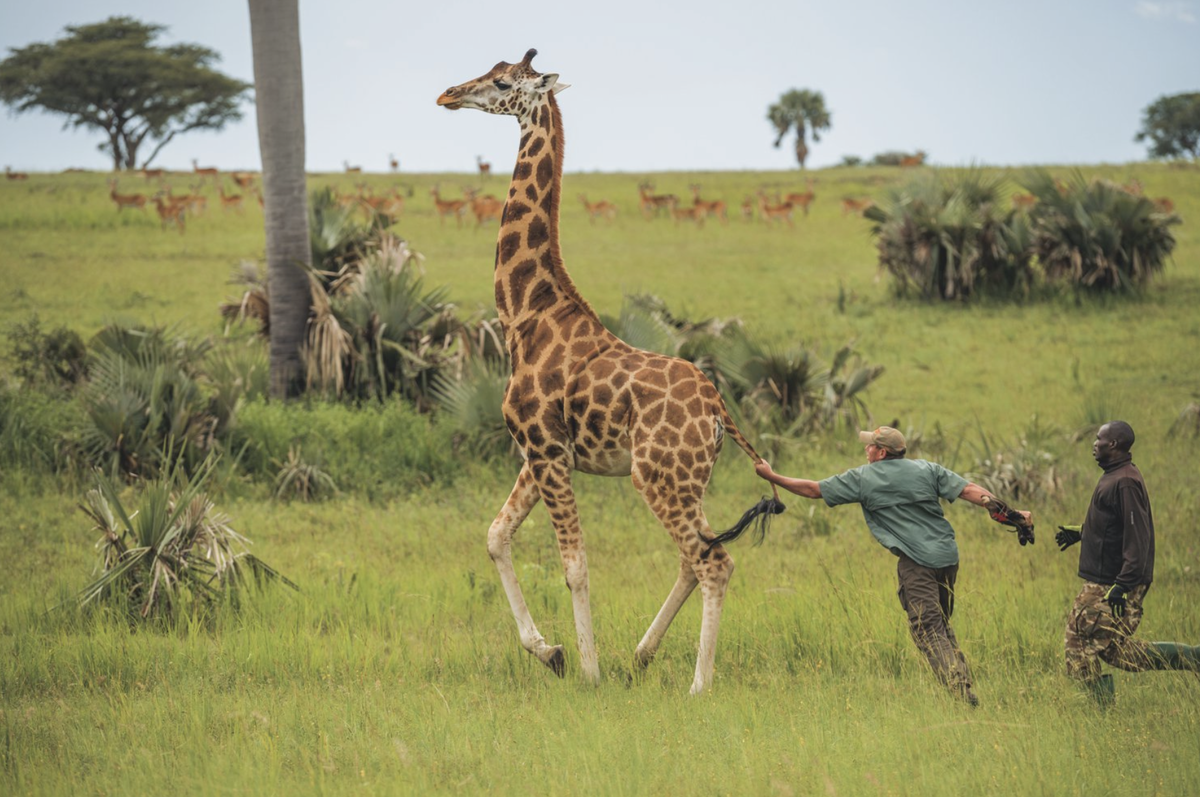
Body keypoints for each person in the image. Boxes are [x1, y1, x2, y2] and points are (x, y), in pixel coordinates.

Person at [754, 426, 1034, 706]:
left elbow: (814, 490)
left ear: (882, 452)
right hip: (948, 558)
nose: (866, 449)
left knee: (927, 628)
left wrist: (772, 475)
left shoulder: (864, 478)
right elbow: (973, 492)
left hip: (917, 563)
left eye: (870, 446)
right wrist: (1012, 515)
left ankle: (962, 693)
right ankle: (963, 684)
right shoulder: (927, 469)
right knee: (940, 624)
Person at [1055, 420, 1200, 706]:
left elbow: (1138, 535)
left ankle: (1101, 713)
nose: (1094, 444)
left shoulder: (1125, 482)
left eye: (1099, 439)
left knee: (1080, 643)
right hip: (1109, 578)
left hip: (1113, 582)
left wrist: (1122, 584)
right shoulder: (1114, 475)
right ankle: (1193, 657)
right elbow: (1113, 525)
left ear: (1113, 445)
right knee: (1116, 651)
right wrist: (1081, 532)